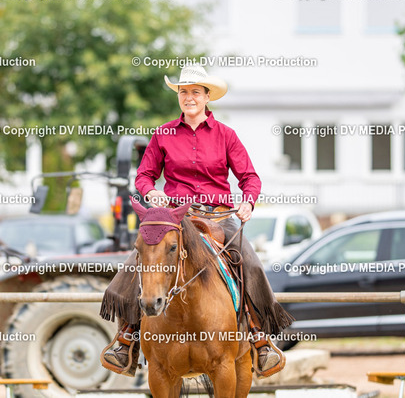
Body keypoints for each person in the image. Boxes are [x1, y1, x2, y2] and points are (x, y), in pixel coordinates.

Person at [100, 64, 294, 377]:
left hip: (219, 216)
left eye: (194, 92)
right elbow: (144, 176)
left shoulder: (226, 135)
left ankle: (260, 339)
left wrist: (248, 201)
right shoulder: (163, 133)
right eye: (183, 92)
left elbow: (249, 177)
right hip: (177, 216)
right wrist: (151, 193)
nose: (188, 97)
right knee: (140, 259)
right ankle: (127, 337)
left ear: (206, 97)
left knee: (250, 263)